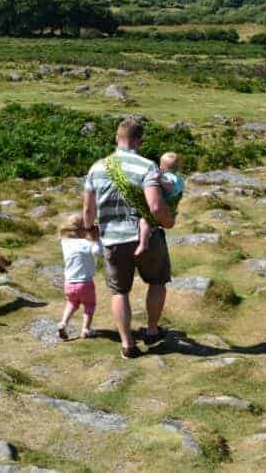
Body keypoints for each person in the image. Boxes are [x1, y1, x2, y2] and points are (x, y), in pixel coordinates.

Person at [84, 119, 176, 359]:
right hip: (146, 235)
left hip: (113, 239)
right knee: (157, 281)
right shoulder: (148, 167)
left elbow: (88, 211)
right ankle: (153, 330)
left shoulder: (97, 168)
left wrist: (89, 229)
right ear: (139, 140)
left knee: (119, 291)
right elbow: (155, 207)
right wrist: (168, 221)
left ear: (117, 138)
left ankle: (128, 345)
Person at [57, 213, 102, 341]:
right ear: (82, 229)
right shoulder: (85, 243)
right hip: (85, 283)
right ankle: (86, 329)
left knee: (71, 303)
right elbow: (98, 251)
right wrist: (96, 238)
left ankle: (63, 323)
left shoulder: (64, 242)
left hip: (69, 283)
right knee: (89, 305)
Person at [134, 152, 185, 258]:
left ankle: (143, 244)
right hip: (171, 209)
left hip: (165, 206)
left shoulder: (168, 177)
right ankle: (152, 230)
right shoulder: (180, 178)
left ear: (161, 166)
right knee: (152, 223)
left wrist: (160, 179)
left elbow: (170, 186)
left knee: (144, 221)